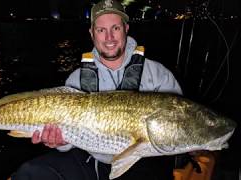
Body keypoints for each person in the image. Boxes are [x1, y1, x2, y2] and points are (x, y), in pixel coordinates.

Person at [11, 0, 182, 179]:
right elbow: (68, 140)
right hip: (93, 161)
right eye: (101, 30)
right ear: (92, 33)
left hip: (144, 161)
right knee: (31, 173)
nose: (109, 37)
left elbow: (177, 127)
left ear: (126, 29)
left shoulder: (158, 75)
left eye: (115, 28)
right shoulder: (76, 79)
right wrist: (58, 142)